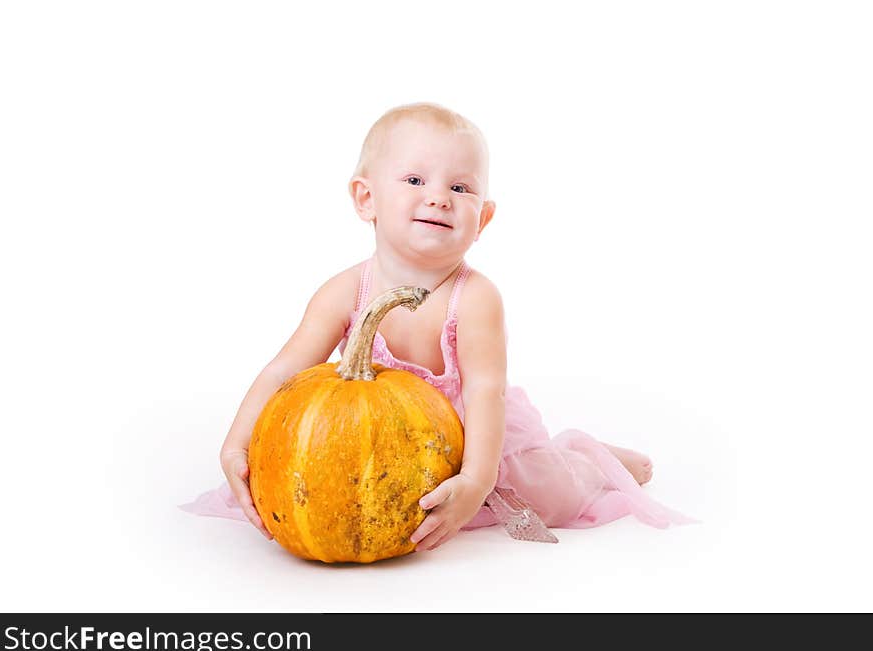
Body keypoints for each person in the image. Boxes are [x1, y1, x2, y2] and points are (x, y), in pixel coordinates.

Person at [181, 102, 693, 551]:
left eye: (460, 187)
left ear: (483, 218)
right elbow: (284, 372)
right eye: (414, 180)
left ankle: (586, 462)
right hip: (377, 445)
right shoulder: (344, 292)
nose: (439, 197)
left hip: (472, 435)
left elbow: (485, 391)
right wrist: (236, 444)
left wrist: (474, 480)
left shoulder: (475, 298)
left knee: (547, 495)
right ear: (366, 199)